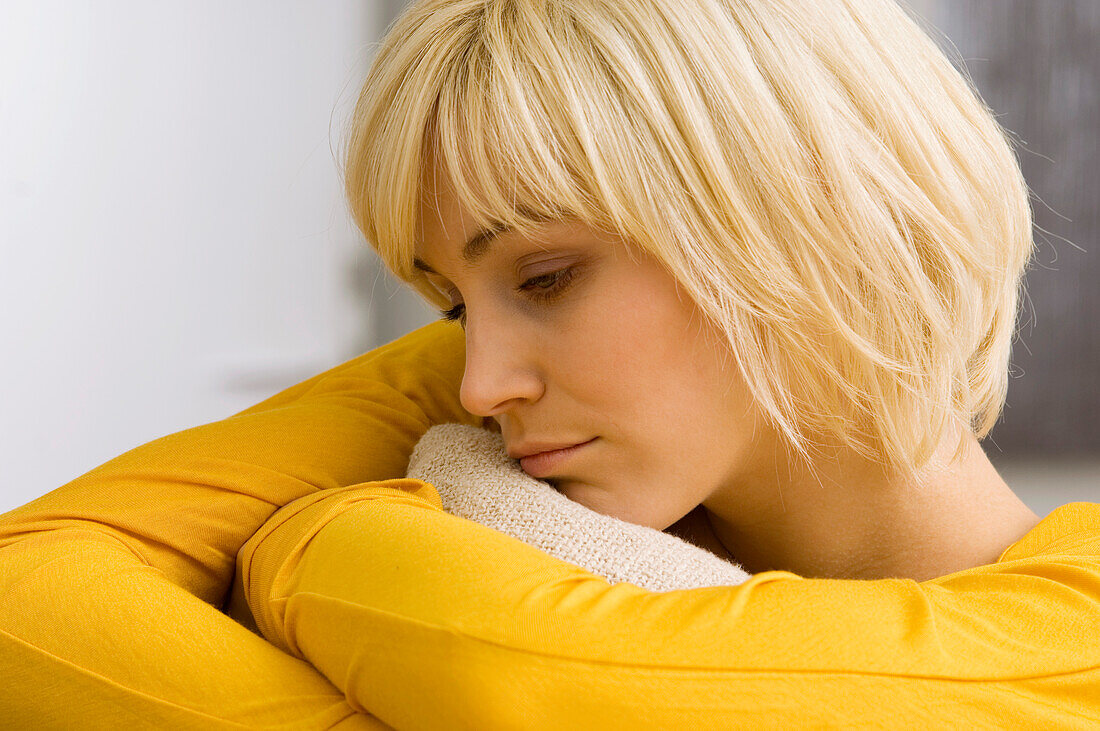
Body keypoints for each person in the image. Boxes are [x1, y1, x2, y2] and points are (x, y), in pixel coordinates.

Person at [1, 0, 1097, 728]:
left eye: (544, 278)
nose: (477, 387)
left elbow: (532, 669)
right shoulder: (514, 447)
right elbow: (27, 588)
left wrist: (320, 540)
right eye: (447, 304)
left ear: (801, 213)